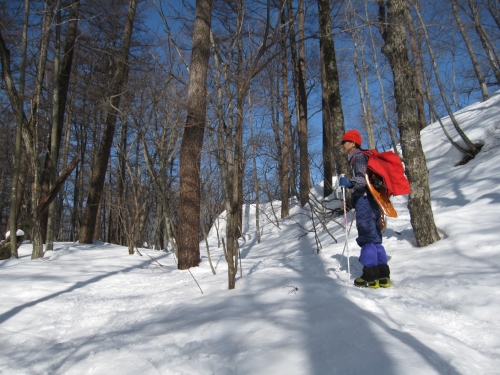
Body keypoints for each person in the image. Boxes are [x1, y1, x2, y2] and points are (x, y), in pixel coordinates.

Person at [339, 130, 390, 288]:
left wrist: (349, 182)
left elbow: (362, 178)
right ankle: (383, 276)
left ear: (353, 143)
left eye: (344, 142)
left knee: (367, 237)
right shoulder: (367, 156)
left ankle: (370, 276)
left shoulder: (359, 156)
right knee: (375, 238)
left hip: (365, 200)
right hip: (374, 200)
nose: (342, 145)